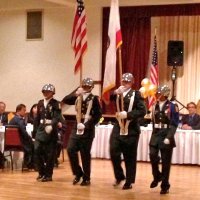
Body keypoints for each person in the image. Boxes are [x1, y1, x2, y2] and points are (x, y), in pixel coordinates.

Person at [62, 77, 102, 186]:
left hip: (87, 128)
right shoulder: (77, 97)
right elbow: (65, 100)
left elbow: (98, 116)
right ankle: (78, 173)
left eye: (88, 86)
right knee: (70, 149)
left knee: (85, 154)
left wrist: (86, 125)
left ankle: (86, 177)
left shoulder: (94, 99)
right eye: (84, 86)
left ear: (92, 87)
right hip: (76, 127)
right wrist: (75, 94)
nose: (85, 88)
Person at [110, 73, 146, 190]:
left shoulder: (136, 94)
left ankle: (129, 181)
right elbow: (107, 99)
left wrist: (129, 115)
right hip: (118, 126)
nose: (124, 83)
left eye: (127, 82)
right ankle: (119, 176)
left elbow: (142, 111)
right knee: (113, 151)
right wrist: (115, 93)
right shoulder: (118, 93)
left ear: (132, 83)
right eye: (123, 81)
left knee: (129, 156)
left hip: (131, 129)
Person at [149, 85, 179, 195]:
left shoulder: (172, 106)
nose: (157, 95)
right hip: (156, 134)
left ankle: (165, 185)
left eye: (159, 93)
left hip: (166, 134)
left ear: (165, 94)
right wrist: (153, 135)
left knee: (166, 163)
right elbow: (153, 122)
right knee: (152, 156)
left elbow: (174, 124)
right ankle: (157, 176)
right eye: (156, 93)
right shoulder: (154, 105)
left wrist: (169, 137)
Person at [33, 84, 61, 182]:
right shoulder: (40, 103)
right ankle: (41, 172)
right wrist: (34, 131)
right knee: (36, 150)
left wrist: (52, 125)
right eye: (44, 91)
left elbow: (57, 117)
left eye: (48, 92)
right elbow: (37, 117)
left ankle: (48, 175)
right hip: (41, 128)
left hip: (51, 129)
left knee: (50, 154)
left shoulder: (56, 103)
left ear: (52, 93)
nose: (46, 93)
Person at [9, 104, 35, 169]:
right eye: (24, 110)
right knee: (34, 145)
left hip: (10, 143)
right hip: (19, 143)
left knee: (31, 143)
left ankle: (27, 164)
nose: (25, 112)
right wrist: (30, 138)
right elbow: (23, 131)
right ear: (18, 111)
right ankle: (30, 165)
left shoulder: (14, 119)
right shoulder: (18, 119)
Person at [0, 101, 8, 168]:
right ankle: (2, 159)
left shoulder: (5, 115)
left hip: (3, 134)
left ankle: (2, 160)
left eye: (3, 107)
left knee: (2, 145)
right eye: (1, 107)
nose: (2, 109)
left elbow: (6, 124)